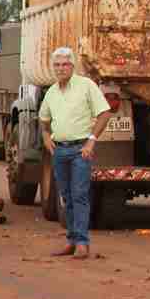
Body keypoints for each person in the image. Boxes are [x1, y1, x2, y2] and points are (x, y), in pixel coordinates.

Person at [38, 47, 112, 258]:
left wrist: (91, 141)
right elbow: (44, 120)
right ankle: (71, 240)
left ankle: (82, 242)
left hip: (81, 150)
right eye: (57, 65)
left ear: (72, 66)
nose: (61, 68)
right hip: (59, 150)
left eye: (65, 64)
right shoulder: (51, 92)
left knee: (79, 195)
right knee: (66, 197)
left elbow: (105, 113)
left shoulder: (85, 86)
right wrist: (45, 137)